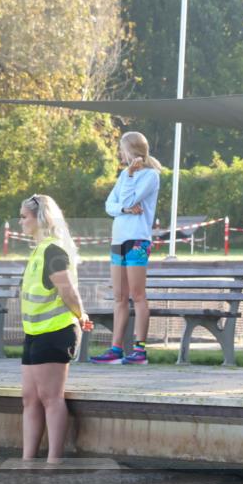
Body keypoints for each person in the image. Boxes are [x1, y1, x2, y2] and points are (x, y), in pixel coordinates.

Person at [18, 195, 93, 463]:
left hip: (56, 332)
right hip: (35, 333)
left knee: (51, 398)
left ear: (40, 218)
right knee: (30, 398)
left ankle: (53, 462)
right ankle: (27, 461)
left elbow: (68, 290)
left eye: (25, 216)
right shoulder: (38, 251)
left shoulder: (53, 250)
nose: (21, 221)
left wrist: (81, 315)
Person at [90, 131, 161, 365]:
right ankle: (116, 348)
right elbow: (110, 205)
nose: (120, 153)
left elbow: (130, 200)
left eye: (122, 148)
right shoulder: (123, 175)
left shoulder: (150, 176)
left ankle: (140, 350)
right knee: (119, 296)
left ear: (131, 149)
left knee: (137, 296)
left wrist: (130, 178)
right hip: (118, 239)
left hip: (137, 240)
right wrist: (124, 209)